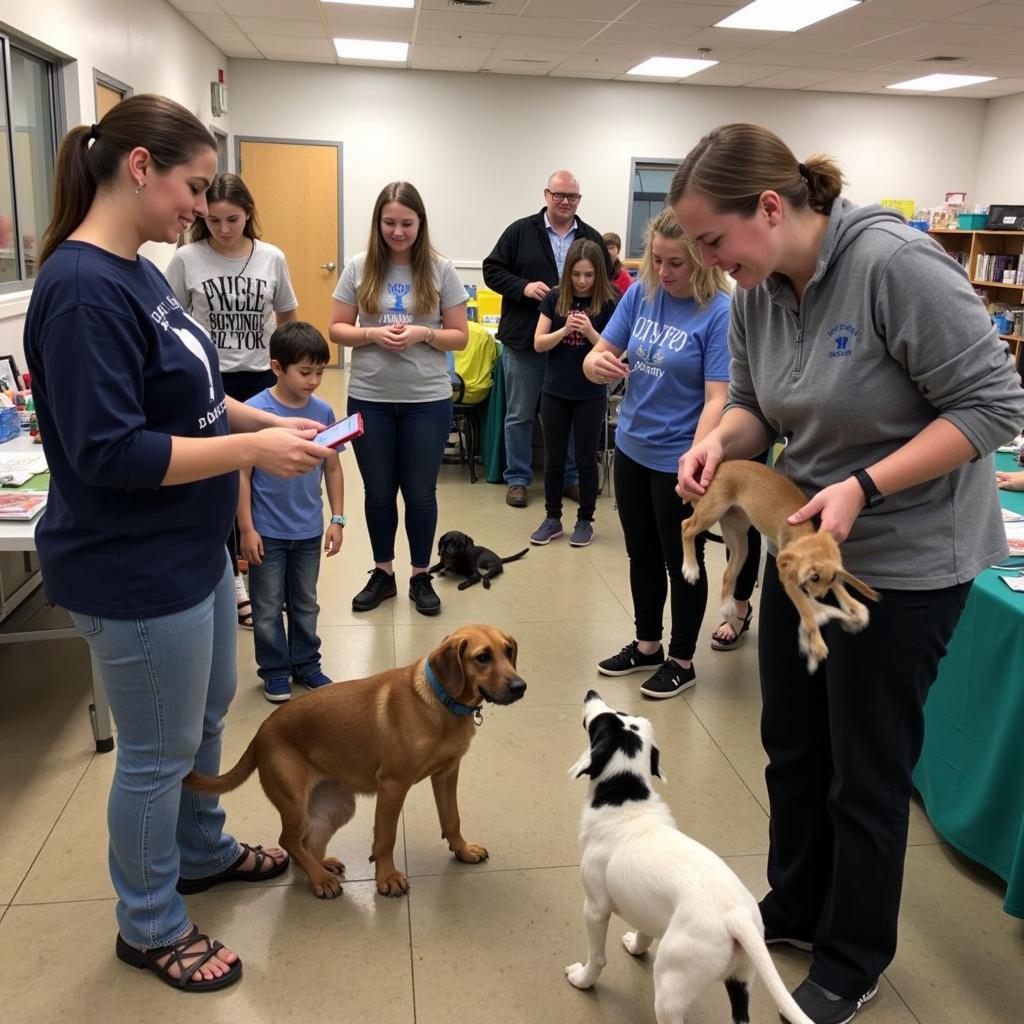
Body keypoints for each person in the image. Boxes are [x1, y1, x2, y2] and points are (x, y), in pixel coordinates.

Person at [671, 123, 1024, 1024]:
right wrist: (717, 446)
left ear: (773, 208)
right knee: (793, 741)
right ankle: (794, 904)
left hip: (908, 560)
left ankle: (854, 954)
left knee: (864, 772)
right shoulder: (755, 289)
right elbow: (754, 404)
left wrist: (866, 485)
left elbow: (993, 406)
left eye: (714, 242)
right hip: (806, 546)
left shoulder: (894, 267)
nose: (708, 262)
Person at [23, 96, 335, 991]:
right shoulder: (82, 289)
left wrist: (280, 425)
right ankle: (151, 923)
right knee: (155, 756)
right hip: (132, 566)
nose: (200, 206)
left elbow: (195, 402)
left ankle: (200, 852)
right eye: (193, 187)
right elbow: (110, 450)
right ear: (139, 168)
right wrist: (252, 448)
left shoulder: (143, 271)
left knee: (204, 715)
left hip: (188, 550)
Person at [582, 208, 732, 699]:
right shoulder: (642, 295)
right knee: (640, 552)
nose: (664, 273)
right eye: (657, 261)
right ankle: (647, 645)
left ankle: (681, 660)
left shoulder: (719, 313)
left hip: (679, 459)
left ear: (703, 262)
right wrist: (596, 363)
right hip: (631, 447)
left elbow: (718, 398)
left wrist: (696, 457)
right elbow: (597, 354)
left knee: (682, 560)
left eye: (676, 264)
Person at [328, 181, 468, 616]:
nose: (398, 231)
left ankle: (420, 575)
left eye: (406, 223)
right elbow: (336, 328)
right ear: (378, 223)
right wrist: (371, 334)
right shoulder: (359, 266)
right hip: (370, 397)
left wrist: (423, 333)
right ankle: (383, 572)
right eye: (389, 223)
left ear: (420, 223)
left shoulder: (440, 270)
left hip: (426, 399)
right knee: (378, 492)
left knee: (421, 493)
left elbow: (459, 336)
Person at [167, 172, 299, 630]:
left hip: (260, 377)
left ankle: (262, 573)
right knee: (218, 480)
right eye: (215, 220)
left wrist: (287, 367)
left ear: (249, 215)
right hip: (207, 381)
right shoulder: (186, 258)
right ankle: (230, 580)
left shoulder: (271, 257)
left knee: (257, 482)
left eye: (234, 219)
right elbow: (170, 322)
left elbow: (287, 316)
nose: (224, 229)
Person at [483, 170, 612, 508]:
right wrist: (523, 287)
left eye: (572, 196)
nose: (566, 201)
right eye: (559, 195)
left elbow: (608, 283)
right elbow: (491, 269)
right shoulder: (520, 231)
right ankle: (518, 479)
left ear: (579, 200)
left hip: (576, 349)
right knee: (520, 414)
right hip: (526, 340)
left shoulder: (591, 237)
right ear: (546, 195)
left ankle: (570, 478)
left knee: (570, 415)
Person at [238, 322, 345, 703]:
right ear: (277, 367)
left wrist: (337, 518)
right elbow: (242, 475)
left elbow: (332, 467)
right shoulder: (254, 412)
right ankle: (275, 670)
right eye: (305, 372)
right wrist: (246, 529)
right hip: (266, 531)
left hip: (309, 529)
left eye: (319, 371)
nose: (315, 380)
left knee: (305, 601)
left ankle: (306, 664)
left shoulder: (322, 411)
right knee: (266, 607)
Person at [531, 238, 619, 548]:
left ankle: (585, 520)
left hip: (590, 394)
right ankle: (552, 518)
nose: (582, 281)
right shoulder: (555, 298)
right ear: (568, 272)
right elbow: (538, 343)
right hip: (555, 391)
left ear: (599, 275)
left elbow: (616, 353)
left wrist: (590, 332)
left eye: (589, 275)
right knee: (553, 460)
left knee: (584, 460)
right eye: (577, 274)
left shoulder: (609, 301)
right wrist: (565, 330)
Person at [602, 231, 634, 296]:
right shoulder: (593, 272)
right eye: (604, 248)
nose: (607, 252)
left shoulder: (625, 277)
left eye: (611, 248)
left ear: (618, 250)